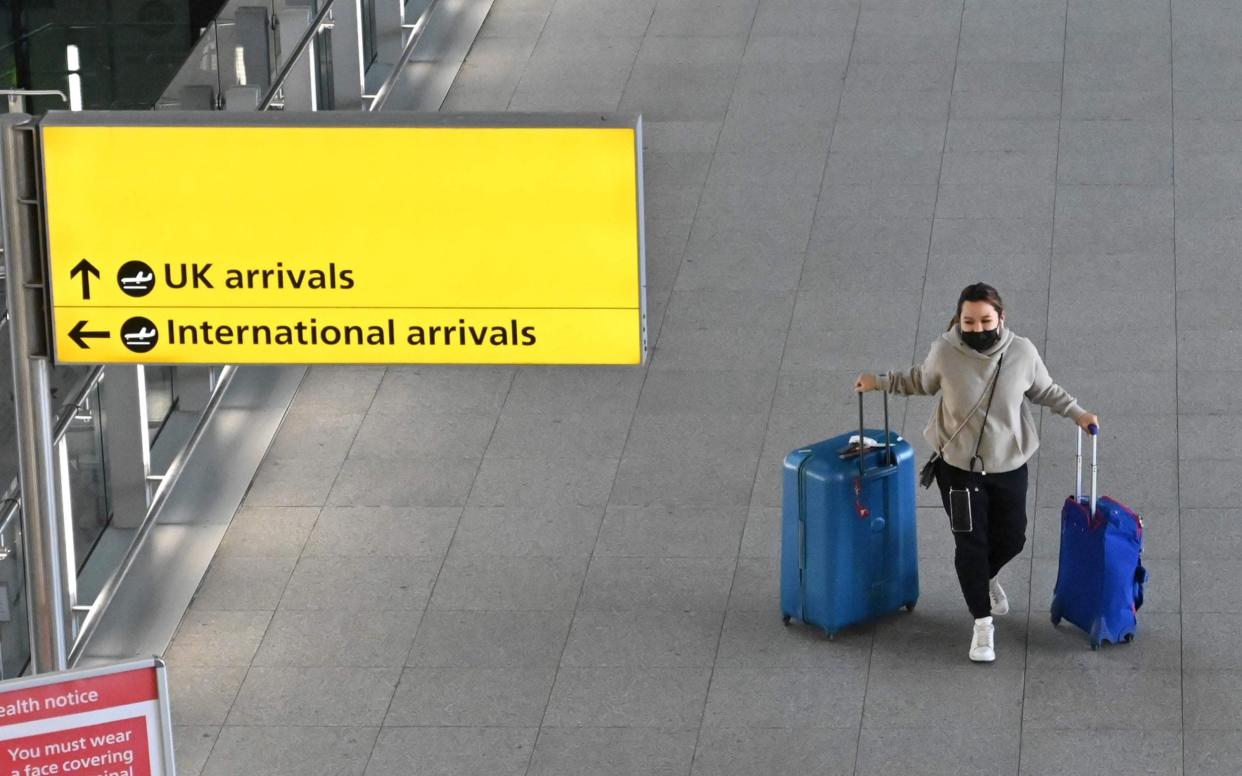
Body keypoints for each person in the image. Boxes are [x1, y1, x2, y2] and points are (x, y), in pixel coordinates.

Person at [854, 282, 1099, 663]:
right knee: (970, 545)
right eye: (969, 321)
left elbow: (1046, 390)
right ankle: (982, 625)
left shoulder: (1022, 352)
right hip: (959, 470)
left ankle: (984, 579)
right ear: (960, 320)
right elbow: (919, 379)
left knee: (1013, 537)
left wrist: (1078, 414)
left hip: (1008, 465)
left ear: (1001, 317)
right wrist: (879, 381)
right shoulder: (945, 352)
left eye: (986, 319)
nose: (977, 327)